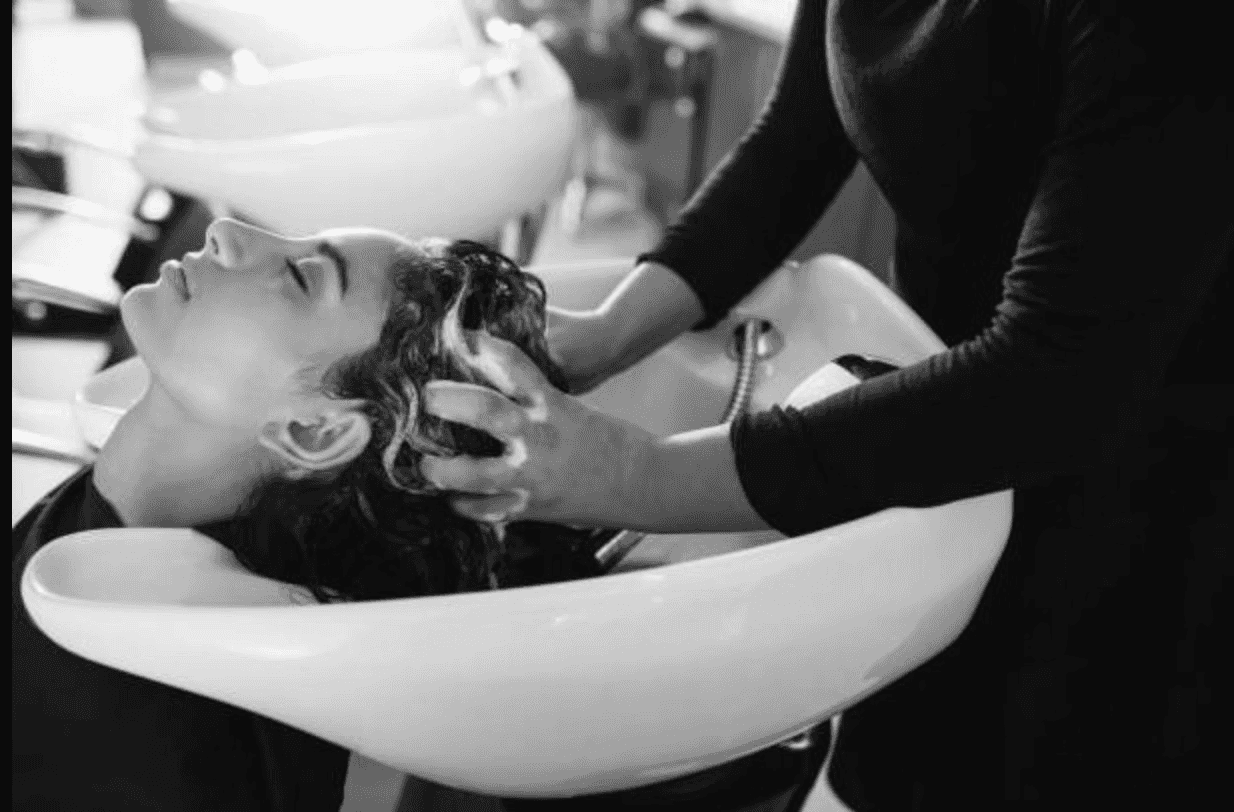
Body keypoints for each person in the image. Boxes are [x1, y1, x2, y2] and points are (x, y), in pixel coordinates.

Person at [420, 1, 1232, 809]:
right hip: (927, 418)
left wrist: (639, 474)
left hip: (1137, 473)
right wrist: (607, 335)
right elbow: (793, 145)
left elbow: (1059, 381)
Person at [11, 219, 604, 811]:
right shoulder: (120, 543)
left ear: (313, 432)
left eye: (300, 277)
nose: (228, 232)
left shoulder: (152, 741)